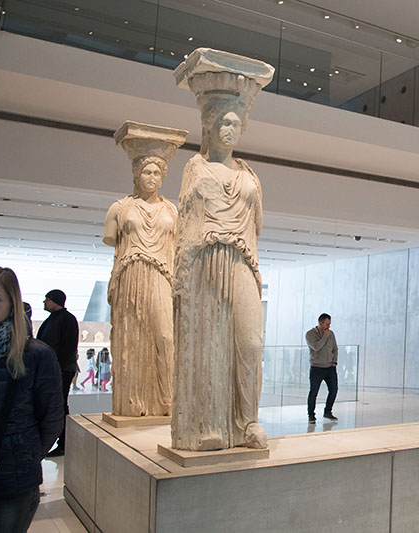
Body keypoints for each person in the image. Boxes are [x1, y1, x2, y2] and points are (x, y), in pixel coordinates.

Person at [171, 49, 274, 451]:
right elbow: (186, 227)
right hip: (204, 263)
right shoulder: (195, 169)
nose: (228, 130)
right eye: (221, 122)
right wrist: (180, 281)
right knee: (209, 343)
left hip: (242, 261)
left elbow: (256, 226)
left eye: (235, 122)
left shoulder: (250, 174)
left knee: (250, 343)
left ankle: (248, 421)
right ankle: (210, 425)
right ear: (208, 126)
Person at [104, 121, 184, 417]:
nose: (151, 177)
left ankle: (167, 400)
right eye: (146, 171)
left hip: (163, 277)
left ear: (163, 176)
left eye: (157, 172)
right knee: (131, 340)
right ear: (136, 173)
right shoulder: (119, 209)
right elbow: (112, 239)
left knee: (166, 337)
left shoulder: (172, 211)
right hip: (130, 277)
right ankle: (132, 402)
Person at [0, 267, 64, 532]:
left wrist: (27, 455)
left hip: (14, 475)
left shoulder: (35, 354)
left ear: (11, 302)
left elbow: (52, 417)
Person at [36, 289, 78, 457]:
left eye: (47, 299)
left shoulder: (67, 320)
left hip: (60, 370)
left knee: (59, 406)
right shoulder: (53, 320)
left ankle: (64, 443)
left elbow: (68, 348)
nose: (44, 302)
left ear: (55, 300)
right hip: (53, 370)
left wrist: (57, 369)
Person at [305, 313, 338, 423]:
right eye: (327, 324)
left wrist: (334, 361)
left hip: (330, 367)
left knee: (334, 390)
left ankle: (328, 411)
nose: (329, 327)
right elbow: (316, 347)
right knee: (314, 392)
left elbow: (335, 348)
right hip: (317, 368)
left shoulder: (331, 334)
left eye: (330, 324)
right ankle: (311, 415)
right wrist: (325, 336)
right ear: (320, 323)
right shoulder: (310, 334)